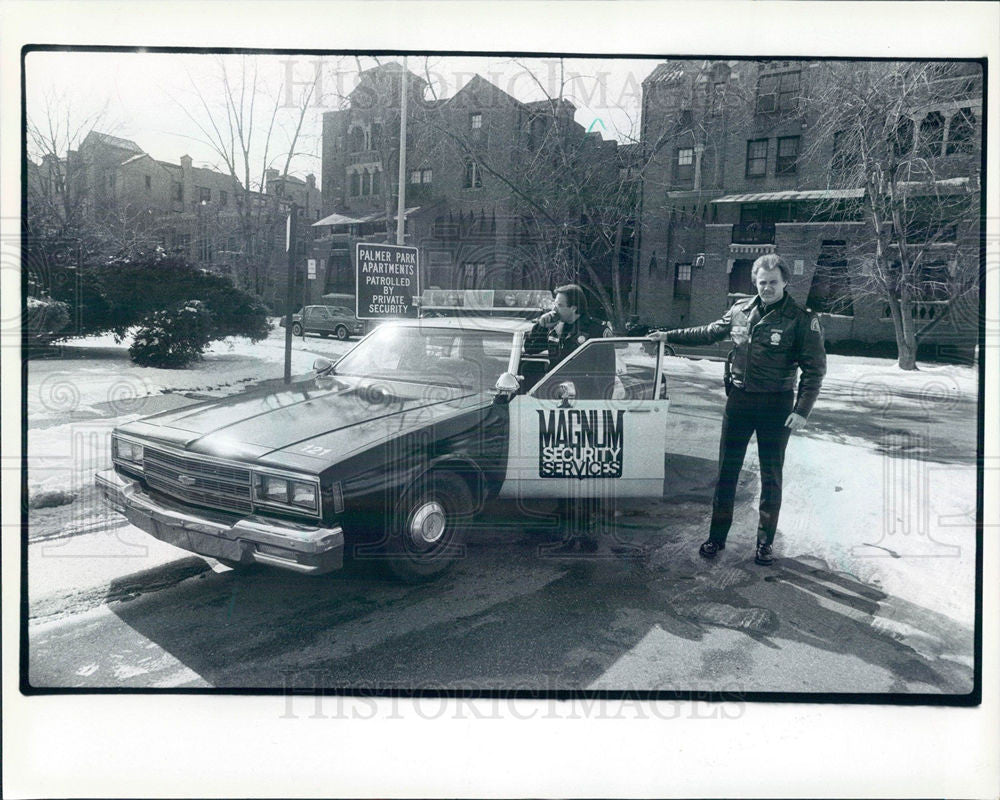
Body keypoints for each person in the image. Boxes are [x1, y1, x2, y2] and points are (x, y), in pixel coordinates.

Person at [647, 254, 826, 565]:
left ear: (784, 282)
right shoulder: (740, 310)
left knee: (771, 476)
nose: (767, 287)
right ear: (755, 282)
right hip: (740, 401)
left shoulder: (800, 318)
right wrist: (669, 335)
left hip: (777, 404)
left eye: (773, 282)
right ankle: (716, 539)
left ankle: (765, 543)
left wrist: (802, 409)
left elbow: (815, 369)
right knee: (727, 472)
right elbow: (709, 332)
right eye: (762, 282)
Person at [525, 284, 611, 554]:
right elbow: (531, 346)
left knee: (584, 470)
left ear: (574, 307)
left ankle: (586, 534)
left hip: (586, 408)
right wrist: (541, 325)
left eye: (559, 304)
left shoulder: (597, 331)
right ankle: (565, 528)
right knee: (561, 465)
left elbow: (606, 374)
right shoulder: (553, 327)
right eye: (554, 303)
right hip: (558, 409)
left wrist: (587, 400)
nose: (554, 308)